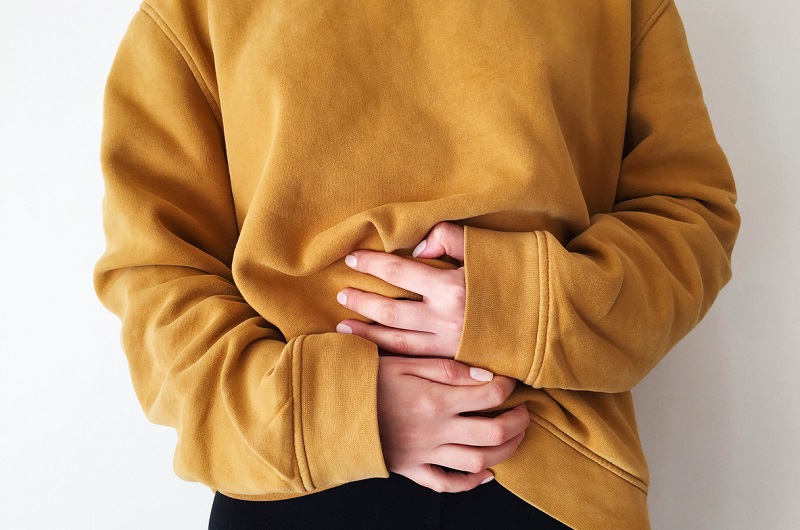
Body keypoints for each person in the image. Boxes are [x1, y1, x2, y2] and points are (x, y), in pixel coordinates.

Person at [92, 0, 740, 528]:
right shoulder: (195, 10)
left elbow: (689, 216)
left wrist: (520, 305)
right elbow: (156, 270)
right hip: (295, 474)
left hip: (552, 467)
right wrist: (338, 413)